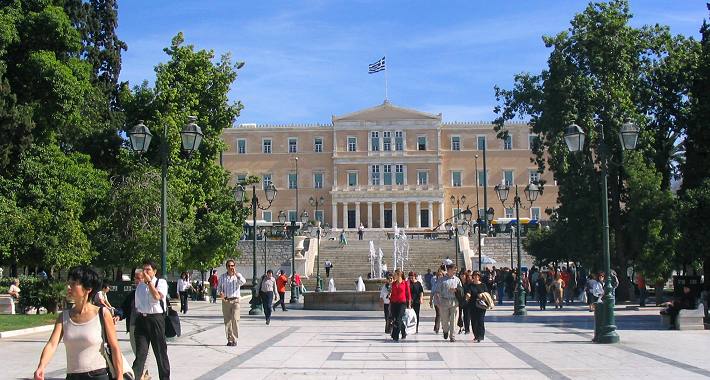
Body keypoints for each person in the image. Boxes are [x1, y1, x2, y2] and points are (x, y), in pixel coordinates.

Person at [34, 266, 123, 380]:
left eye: (73, 283)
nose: (69, 287)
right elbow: (52, 344)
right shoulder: (64, 317)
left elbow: (115, 347)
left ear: (88, 289)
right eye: (69, 283)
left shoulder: (102, 314)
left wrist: (119, 376)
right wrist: (41, 366)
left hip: (98, 375)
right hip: (72, 376)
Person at [132, 260, 170, 380]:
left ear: (154, 271)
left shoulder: (161, 282)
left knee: (160, 353)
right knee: (140, 354)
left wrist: (149, 282)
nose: (145, 272)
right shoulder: (140, 286)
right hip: (142, 320)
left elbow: (157, 296)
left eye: (148, 269)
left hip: (156, 320)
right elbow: (137, 304)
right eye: (144, 269)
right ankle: (136, 377)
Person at [218, 259, 246, 346]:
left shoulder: (237, 276)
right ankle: (229, 339)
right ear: (226, 267)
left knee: (235, 319)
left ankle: (235, 338)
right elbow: (219, 288)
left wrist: (236, 274)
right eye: (229, 266)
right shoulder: (222, 277)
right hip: (226, 300)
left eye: (232, 266)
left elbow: (243, 282)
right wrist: (221, 293)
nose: (231, 267)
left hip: (236, 301)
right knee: (227, 321)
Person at [434, 263, 463, 342]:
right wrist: (438, 303)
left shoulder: (457, 279)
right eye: (454, 270)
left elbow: (461, 290)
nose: (455, 272)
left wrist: (456, 290)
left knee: (454, 319)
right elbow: (437, 292)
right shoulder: (442, 280)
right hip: (444, 301)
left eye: (456, 270)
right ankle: (445, 330)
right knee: (444, 319)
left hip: (454, 301)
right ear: (449, 270)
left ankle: (452, 336)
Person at [465, 271, 489, 342]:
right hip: (472, 305)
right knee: (474, 321)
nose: (476, 277)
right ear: (473, 277)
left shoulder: (483, 285)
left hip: (481, 305)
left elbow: (487, 294)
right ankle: (476, 335)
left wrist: (482, 296)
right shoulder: (470, 285)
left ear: (479, 277)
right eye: (475, 276)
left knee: (480, 320)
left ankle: (481, 336)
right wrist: (468, 296)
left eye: (478, 276)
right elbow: (468, 292)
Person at [389, 270, 411, 342]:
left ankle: (395, 335)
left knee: (398, 318)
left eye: (395, 275)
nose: (393, 276)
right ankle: (403, 332)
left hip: (402, 303)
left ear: (399, 275)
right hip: (394, 303)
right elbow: (391, 293)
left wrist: (409, 303)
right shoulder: (393, 283)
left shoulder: (405, 283)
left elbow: (408, 293)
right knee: (397, 319)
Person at [430, 268, 444, 333]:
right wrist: (430, 301)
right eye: (439, 275)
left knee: (444, 315)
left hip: (444, 301)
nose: (440, 276)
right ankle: (436, 328)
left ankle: (444, 327)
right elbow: (432, 292)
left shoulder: (445, 283)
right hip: (436, 301)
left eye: (441, 275)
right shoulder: (435, 283)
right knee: (438, 314)